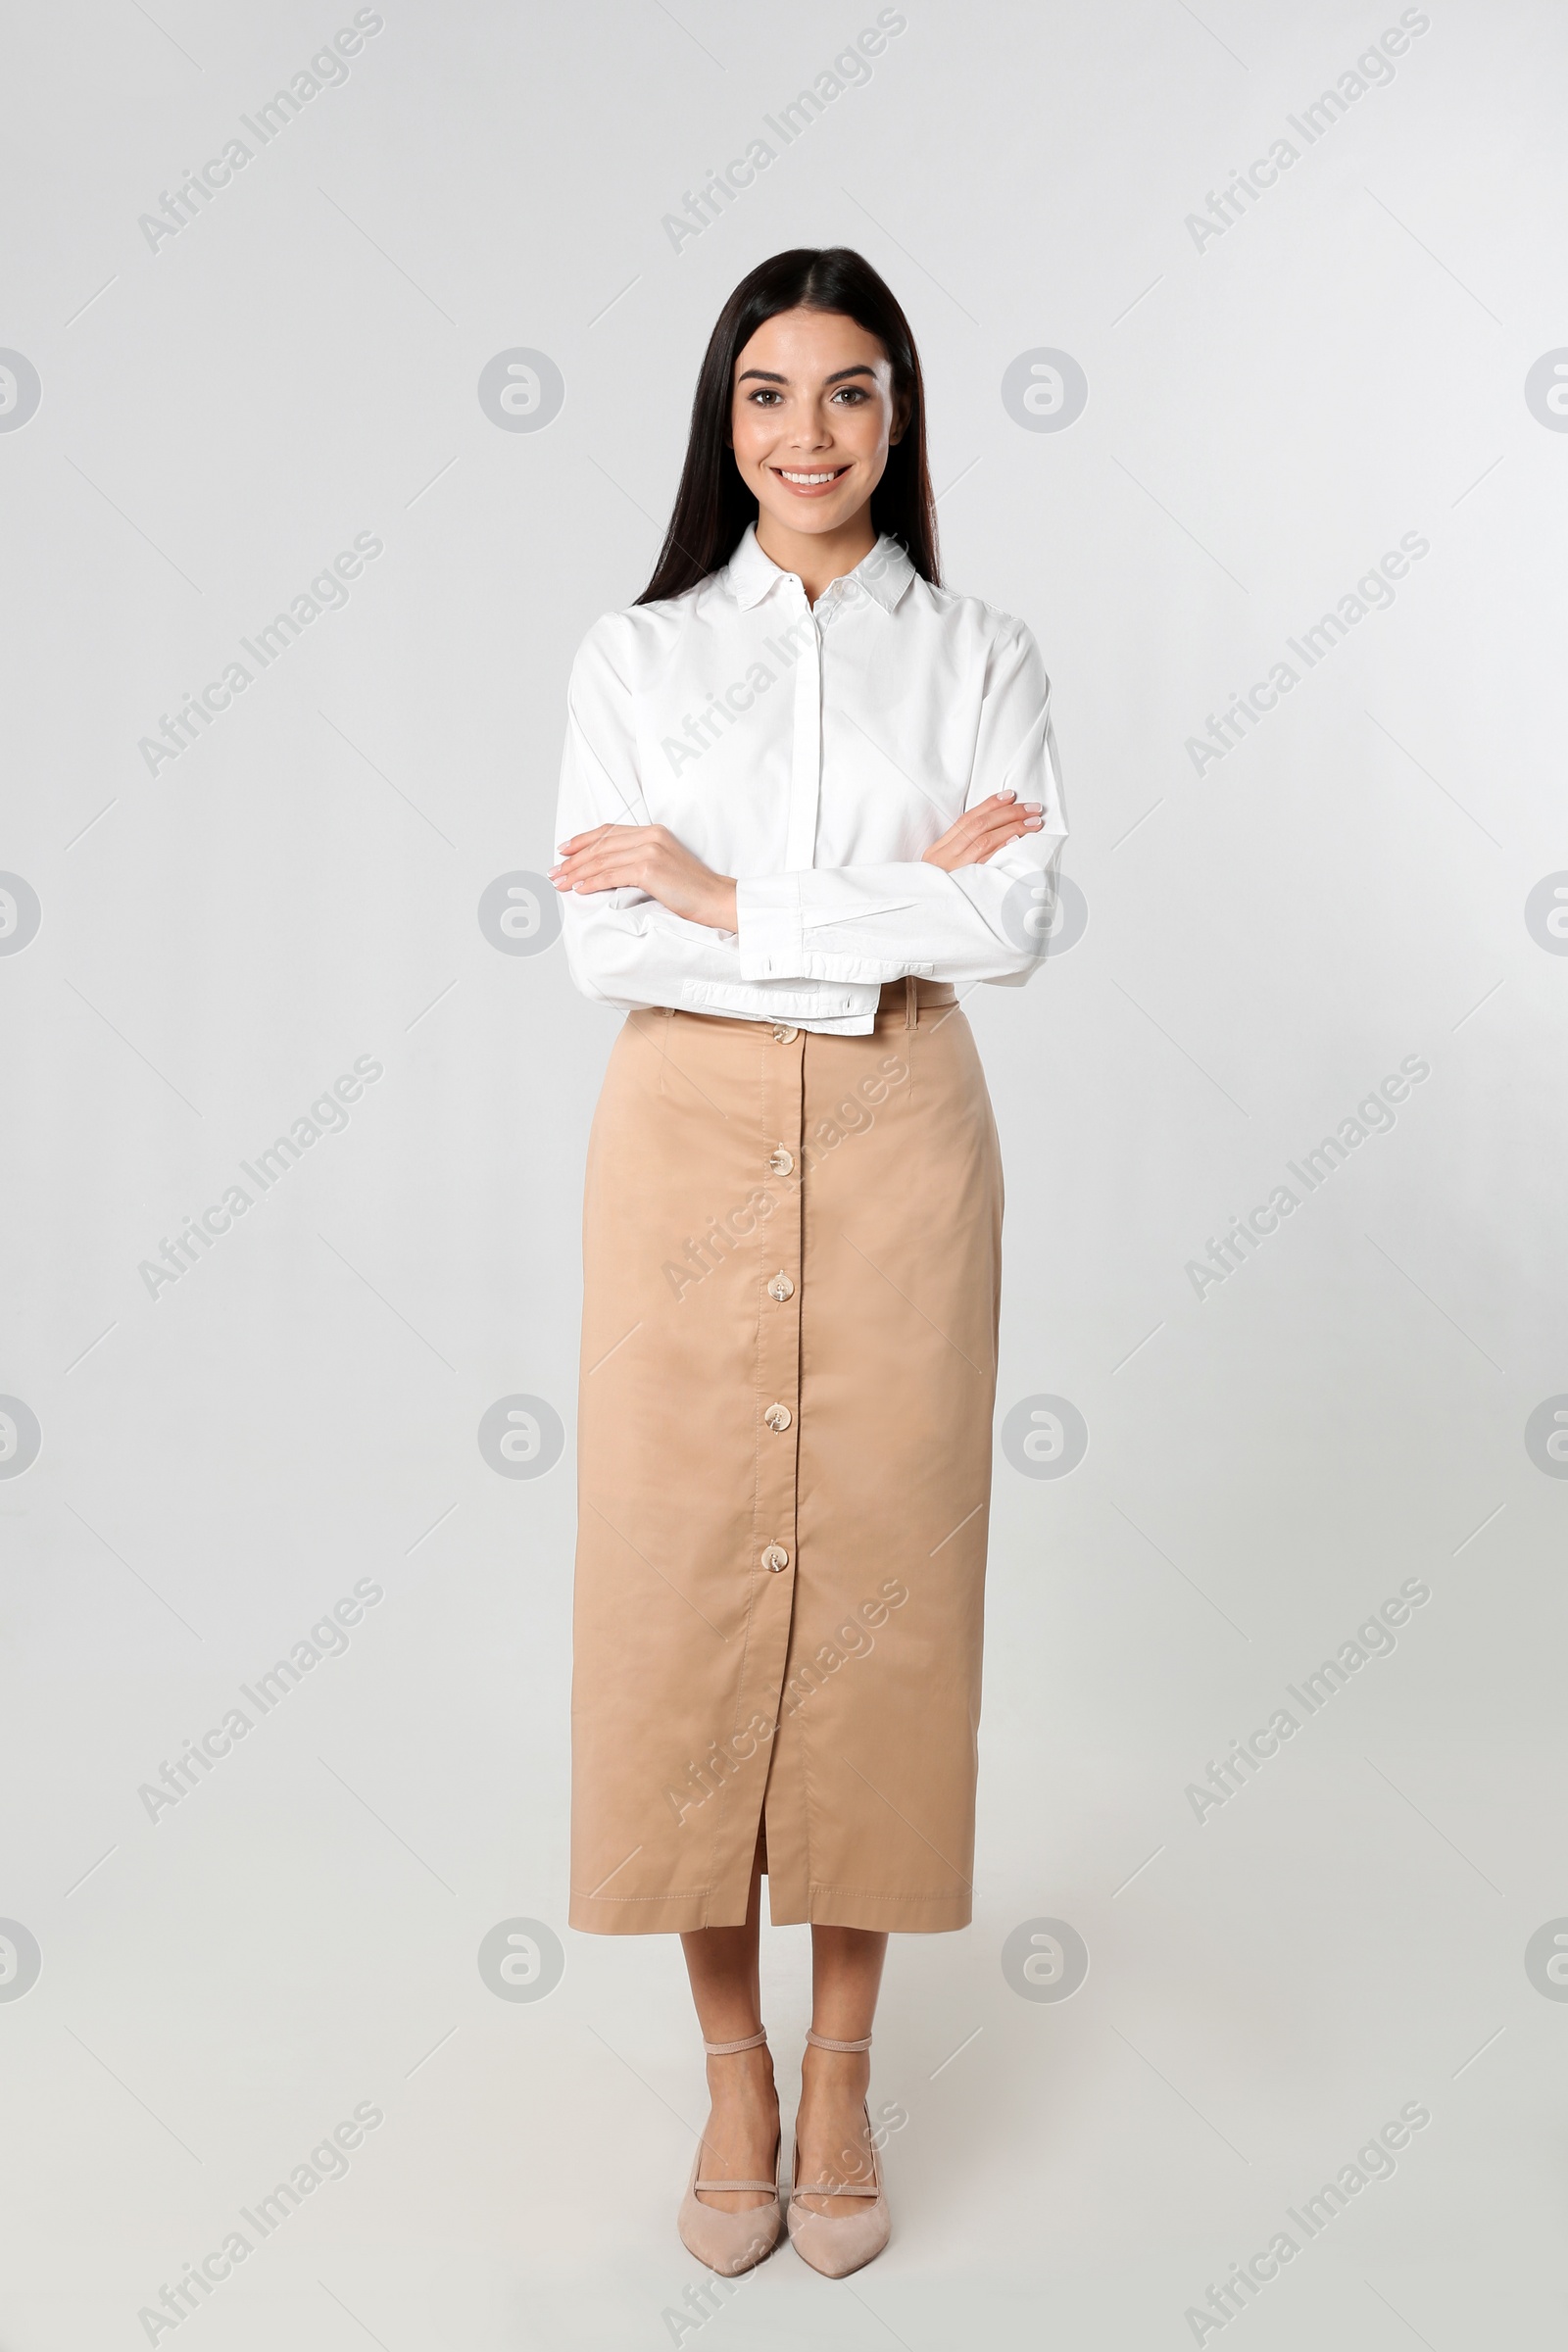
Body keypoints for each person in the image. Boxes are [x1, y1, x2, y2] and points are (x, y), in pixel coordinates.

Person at [551, 246, 1067, 2279]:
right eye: (767, 394)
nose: (808, 434)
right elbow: (609, 940)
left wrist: (733, 889)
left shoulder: (981, 655)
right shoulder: (637, 656)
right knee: (682, 1583)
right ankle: (727, 2070)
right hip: (678, 1132)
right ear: (720, 420)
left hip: (902, 1138)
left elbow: (1012, 925)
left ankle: (843, 2068)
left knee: (879, 1581)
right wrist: (887, 896)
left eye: (849, 392)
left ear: (901, 415)